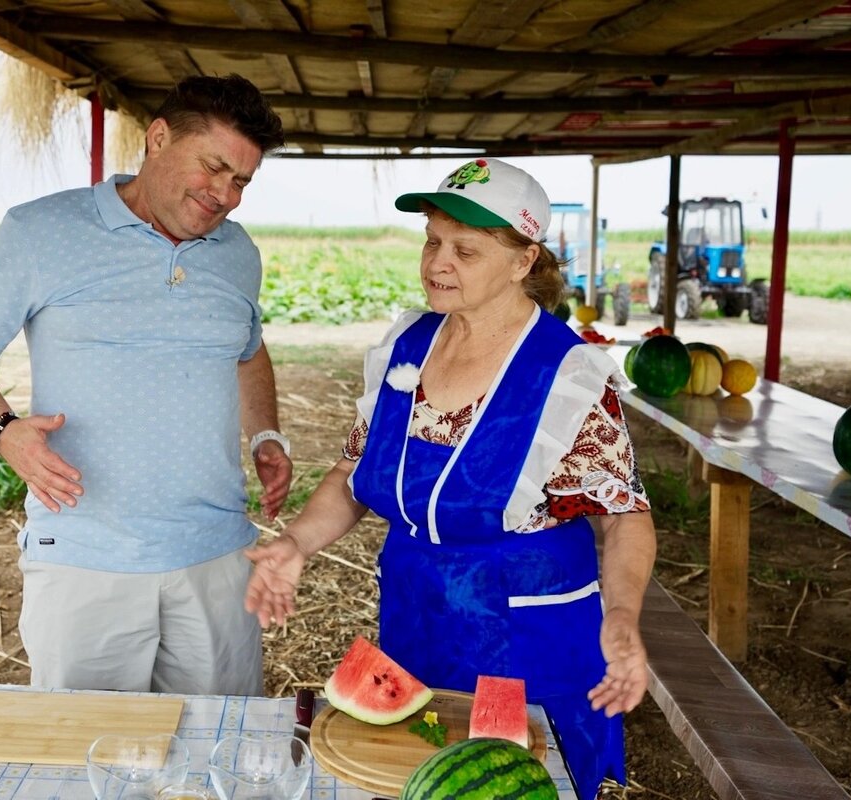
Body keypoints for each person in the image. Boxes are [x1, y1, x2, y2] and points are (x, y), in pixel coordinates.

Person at [244, 158, 656, 799]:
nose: (438, 262)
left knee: (513, 784)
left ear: (523, 261)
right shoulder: (405, 344)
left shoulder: (567, 376)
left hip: (527, 633)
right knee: (422, 774)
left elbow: (624, 513)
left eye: (465, 250)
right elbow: (356, 471)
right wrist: (295, 545)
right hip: (418, 614)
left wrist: (624, 615)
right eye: (433, 241)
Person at [0, 74, 292, 696]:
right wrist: (3, 432)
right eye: (214, 168)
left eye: (242, 182)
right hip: (83, 555)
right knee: (79, 759)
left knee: (215, 761)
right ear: (157, 138)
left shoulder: (236, 252)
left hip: (217, 554)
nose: (226, 195)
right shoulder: (43, 231)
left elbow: (248, 350)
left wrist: (266, 434)